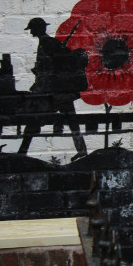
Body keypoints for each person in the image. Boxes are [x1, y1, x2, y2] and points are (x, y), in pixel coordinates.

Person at [19, 17, 88, 160]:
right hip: (57, 91)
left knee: (34, 120)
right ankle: (82, 150)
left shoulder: (47, 43)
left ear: (38, 29)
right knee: (71, 121)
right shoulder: (48, 43)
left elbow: (57, 65)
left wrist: (43, 69)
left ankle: (22, 152)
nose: (31, 32)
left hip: (54, 92)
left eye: (32, 28)